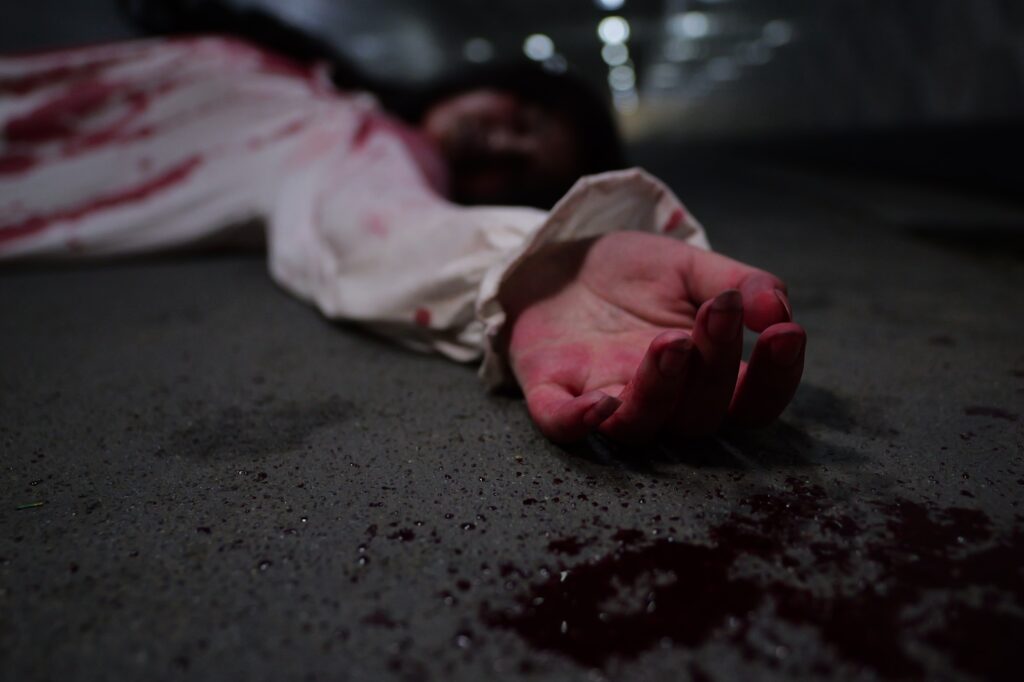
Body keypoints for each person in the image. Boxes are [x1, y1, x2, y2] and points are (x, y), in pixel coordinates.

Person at [0, 13, 806, 446]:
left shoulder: (372, 145)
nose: (505, 139)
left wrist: (541, 268)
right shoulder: (328, 87)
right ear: (490, 79)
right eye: (521, 115)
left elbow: (376, 224)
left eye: (523, 163)